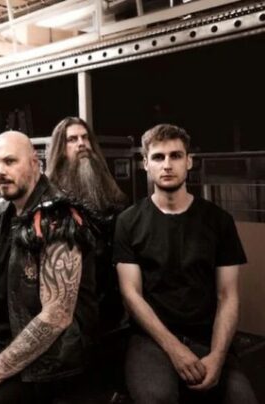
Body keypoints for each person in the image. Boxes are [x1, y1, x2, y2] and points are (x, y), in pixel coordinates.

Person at [0, 131, 98, 403]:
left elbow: (56, 316)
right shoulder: (0, 214)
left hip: (45, 362)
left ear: (35, 164)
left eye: (10, 161)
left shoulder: (58, 218)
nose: (0, 171)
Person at [113, 123, 258, 404]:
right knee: (157, 398)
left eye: (176, 156)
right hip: (151, 338)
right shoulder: (128, 222)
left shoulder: (219, 221)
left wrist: (218, 356)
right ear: (146, 164)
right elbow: (131, 295)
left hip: (207, 335)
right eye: (158, 157)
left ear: (189, 161)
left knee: (242, 399)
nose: (167, 164)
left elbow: (228, 295)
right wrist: (174, 349)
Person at [47, 116, 128, 333]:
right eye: (72, 139)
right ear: (60, 149)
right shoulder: (51, 199)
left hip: (111, 305)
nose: (81, 144)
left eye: (85, 138)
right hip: (72, 309)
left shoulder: (110, 192)